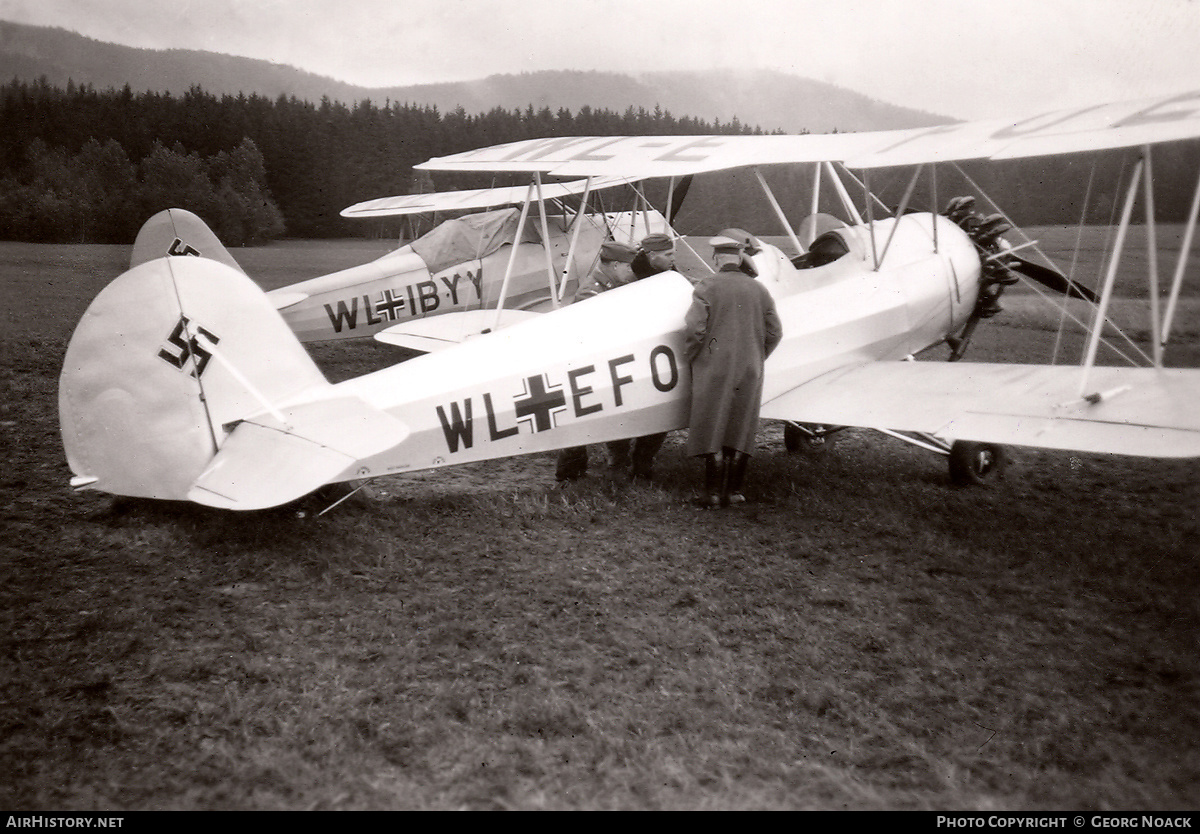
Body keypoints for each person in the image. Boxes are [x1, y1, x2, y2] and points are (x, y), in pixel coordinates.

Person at [684, 234, 783, 508]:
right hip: (750, 367)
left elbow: (695, 329)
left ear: (716, 259)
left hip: (714, 365)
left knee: (712, 422)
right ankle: (735, 492)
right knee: (742, 423)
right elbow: (775, 332)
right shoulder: (759, 290)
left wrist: (693, 356)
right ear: (739, 258)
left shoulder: (707, 286)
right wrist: (757, 356)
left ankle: (712, 494)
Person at [555, 240, 641, 482]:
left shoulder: (612, 285)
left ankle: (615, 465)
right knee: (581, 422)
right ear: (614, 265)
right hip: (588, 368)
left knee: (617, 415)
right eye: (628, 267)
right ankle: (569, 475)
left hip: (606, 365)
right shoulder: (591, 293)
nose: (631, 272)